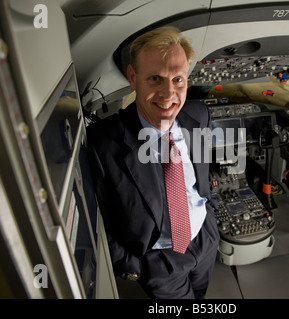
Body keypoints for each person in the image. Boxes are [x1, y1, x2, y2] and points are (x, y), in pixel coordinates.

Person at [87, 26, 219, 299]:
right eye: (156, 79)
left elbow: (204, 172)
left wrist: (211, 214)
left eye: (178, 79)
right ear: (133, 78)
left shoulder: (199, 115)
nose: (169, 94)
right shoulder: (102, 143)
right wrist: (132, 267)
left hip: (204, 237)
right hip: (159, 260)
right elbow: (100, 218)